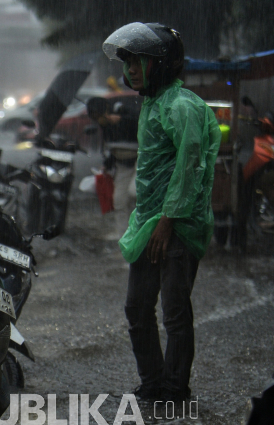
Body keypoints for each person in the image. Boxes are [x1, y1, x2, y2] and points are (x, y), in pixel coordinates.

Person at [102, 22, 221, 402]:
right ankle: (153, 382)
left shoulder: (182, 105)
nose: (131, 70)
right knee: (137, 308)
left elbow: (190, 167)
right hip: (150, 223)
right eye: (129, 63)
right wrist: (151, 222)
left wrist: (168, 221)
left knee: (173, 312)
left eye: (139, 62)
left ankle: (175, 388)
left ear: (163, 64)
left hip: (177, 225)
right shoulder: (152, 104)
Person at [86, 95, 140, 238]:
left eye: (99, 115)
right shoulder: (106, 127)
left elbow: (140, 121)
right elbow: (110, 149)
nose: (99, 120)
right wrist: (107, 165)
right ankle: (124, 235)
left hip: (140, 162)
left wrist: (122, 120)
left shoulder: (124, 112)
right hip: (122, 164)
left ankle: (143, 231)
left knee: (134, 192)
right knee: (119, 200)